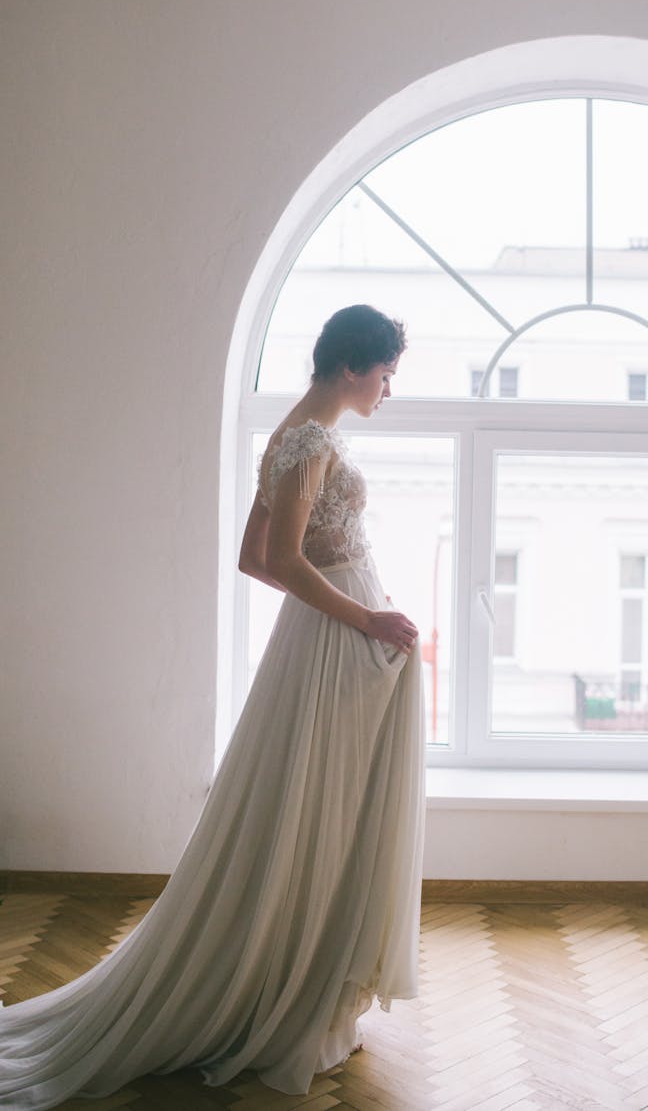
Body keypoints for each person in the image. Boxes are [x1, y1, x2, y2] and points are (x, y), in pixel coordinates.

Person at [0, 304, 426, 1109]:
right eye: (384, 374)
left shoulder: (295, 435)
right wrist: (360, 614)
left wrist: (339, 607)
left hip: (329, 640)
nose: (388, 389)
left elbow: (252, 559)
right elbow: (284, 561)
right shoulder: (309, 441)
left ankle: (301, 969)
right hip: (338, 643)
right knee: (321, 812)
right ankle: (289, 986)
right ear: (349, 368)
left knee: (317, 810)